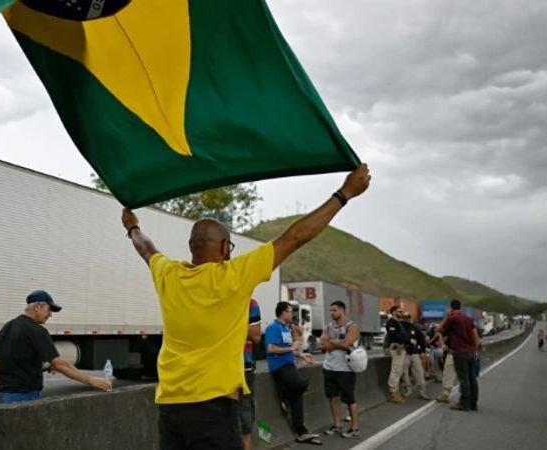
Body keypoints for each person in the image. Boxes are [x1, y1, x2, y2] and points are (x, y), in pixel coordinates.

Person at [121, 164, 370, 449]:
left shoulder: (168, 274)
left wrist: (131, 225)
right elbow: (294, 238)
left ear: (192, 246)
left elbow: (146, 248)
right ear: (225, 247)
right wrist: (344, 194)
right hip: (214, 411)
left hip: (170, 409)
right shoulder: (233, 275)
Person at [0, 290, 112, 404]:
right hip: (25, 396)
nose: (50, 315)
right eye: (49, 309)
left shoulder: (7, 327)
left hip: (4, 395)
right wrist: (90, 380)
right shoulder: (37, 331)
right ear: (38, 306)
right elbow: (59, 364)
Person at [266, 302, 320, 445]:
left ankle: (301, 433)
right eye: (290, 312)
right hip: (279, 365)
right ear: (283, 313)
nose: (292, 315)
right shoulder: (273, 327)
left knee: (297, 396)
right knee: (300, 384)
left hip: (289, 363)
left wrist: (301, 355)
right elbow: (271, 349)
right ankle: (284, 395)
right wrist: (291, 348)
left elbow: (289, 349)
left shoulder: (285, 328)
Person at [320, 301, 362, 439]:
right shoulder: (327, 327)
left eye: (334, 310)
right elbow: (323, 345)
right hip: (329, 367)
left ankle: (354, 428)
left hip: (345, 369)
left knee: (349, 399)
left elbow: (347, 343)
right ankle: (337, 425)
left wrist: (332, 341)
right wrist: (337, 343)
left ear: (342, 310)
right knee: (333, 397)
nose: (332, 313)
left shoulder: (352, 326)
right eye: (330, 310)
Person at [439, 300, 479, 411]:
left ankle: (464, 403)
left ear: (451, 308)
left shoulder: (452, 318)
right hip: (470, 352)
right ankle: (473, 403)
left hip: (460, 352)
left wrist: (447, 316)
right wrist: (475, 349)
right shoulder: (468, 319)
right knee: (472, 378)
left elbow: (440, 329)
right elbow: (475, 334)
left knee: (463, 378)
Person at [239, 299, 263, 450]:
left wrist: (230, 319)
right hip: (215, 369)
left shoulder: (249, 303)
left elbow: (256, 336)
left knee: (245, 418)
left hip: (243, 369)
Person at [385, 305, 410, 403]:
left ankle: (396, 392)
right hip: (397, 348)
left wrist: (406, 340)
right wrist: (406, 340)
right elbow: (394, 337)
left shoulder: (399, 323)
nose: (401, 312)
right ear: (394, 312)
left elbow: (403, 336)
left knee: (399, 370)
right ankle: (392, 392)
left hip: (402, 348)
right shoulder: (391, 323)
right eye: (399, 311)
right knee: (395, 370)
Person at [403, 317, 430, 400]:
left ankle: (422, 392)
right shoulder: (400, 328)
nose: (407, 320)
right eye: (405, 318)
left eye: (408, 318)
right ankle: (408, 390)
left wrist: (422, 351)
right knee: (404, 372)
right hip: (404, 353)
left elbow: (422, 339)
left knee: (419, 372)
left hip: (414, 353)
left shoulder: (415, 328)